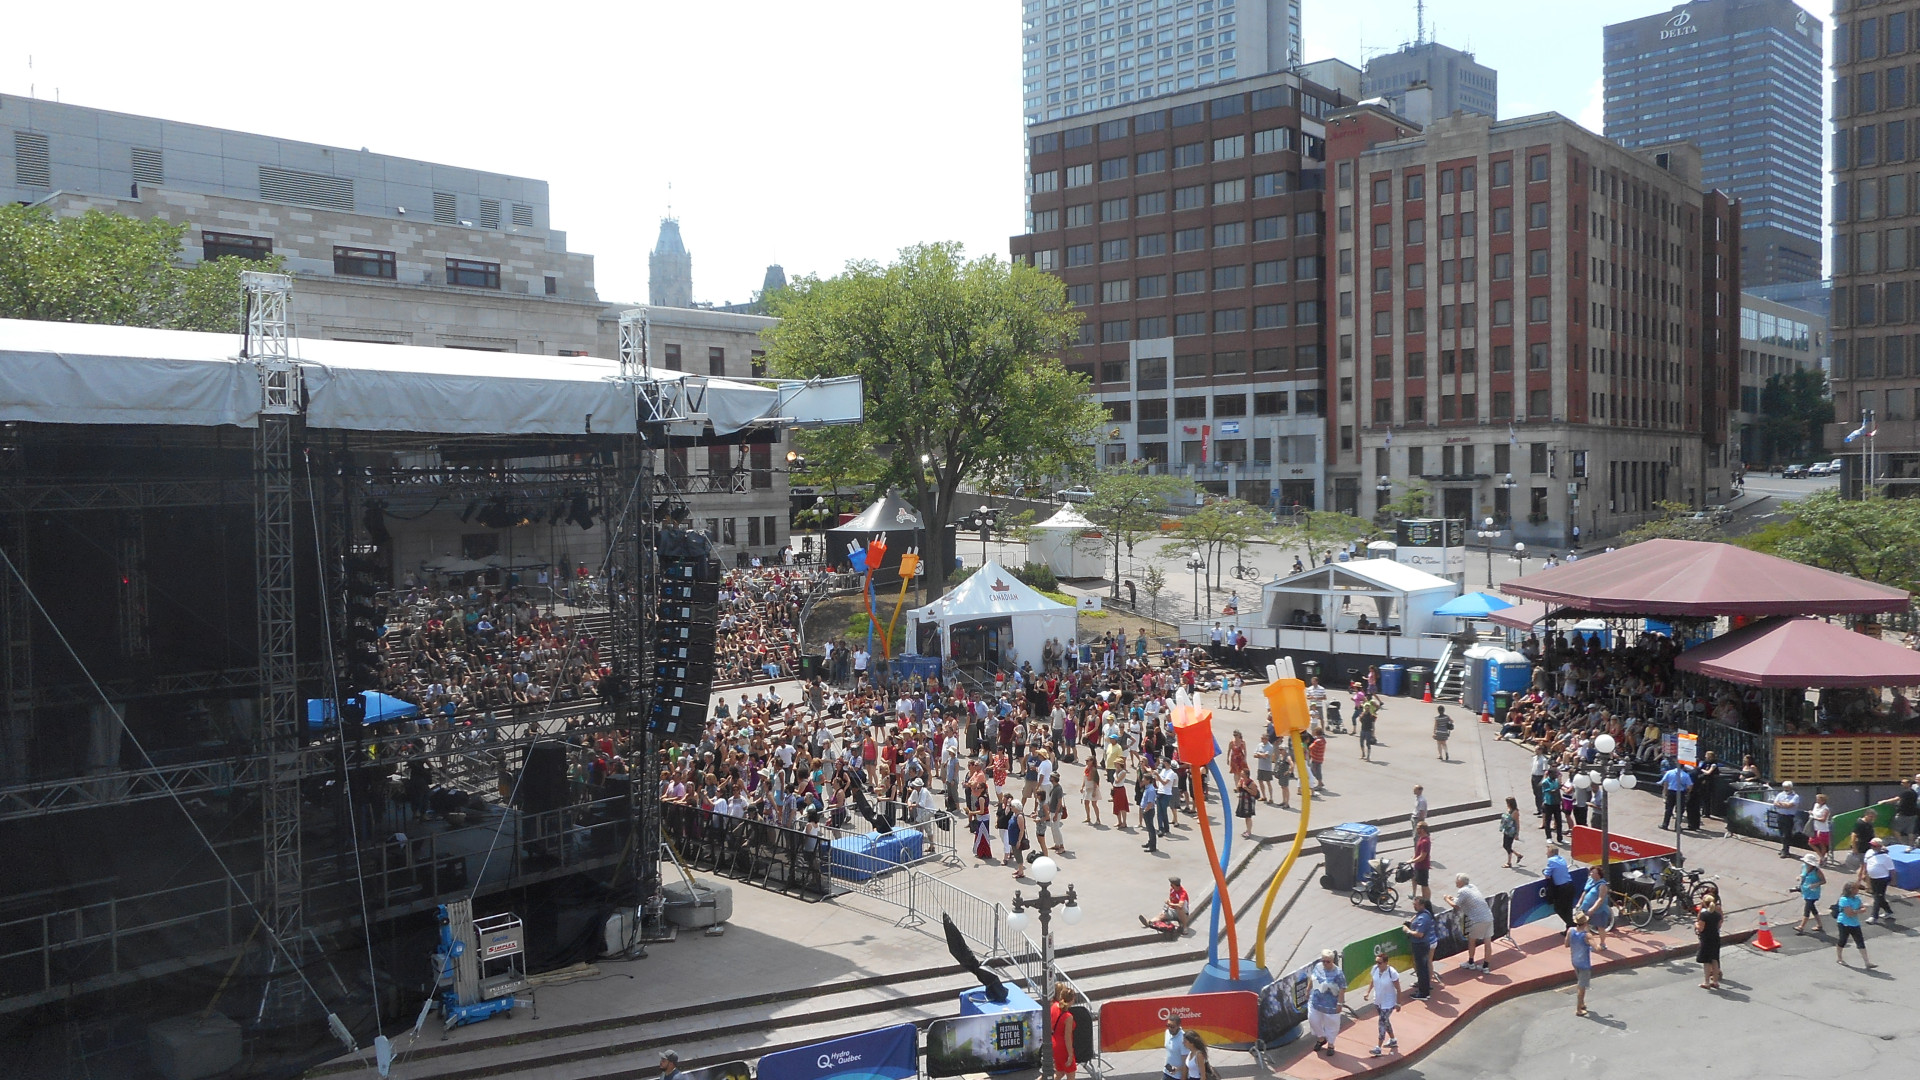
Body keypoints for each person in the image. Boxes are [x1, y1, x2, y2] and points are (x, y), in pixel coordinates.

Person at [1447, 873, 1496, 972]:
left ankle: (1471, 963)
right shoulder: (1472, 887)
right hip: (1488, 917)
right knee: (1487, 942)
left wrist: (1447, 899)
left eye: (1456, 880)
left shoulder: (1462, 891)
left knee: (1471, 941)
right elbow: (1465, 900)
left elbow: (1456, 905)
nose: (1455, 882)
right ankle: (1485, 966)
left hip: (1477, 920)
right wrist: (1454, 899)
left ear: (1460, 882)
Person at [1361, 943, 1402, 1057]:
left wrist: (1398, 1003)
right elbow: (1373, 981)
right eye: (1376, 962)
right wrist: (1368, 992)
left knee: (1381, 1022)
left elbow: (1398, 989)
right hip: (1378, 1000)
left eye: (1379, 963)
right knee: (1385, 1021)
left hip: (1388, 1002)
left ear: (1385, 962)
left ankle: (1378, 1047)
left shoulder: (1392, 973)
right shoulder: (1375, 969)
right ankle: (1393, 1040)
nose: (1377, 964)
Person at [1307, 949, 1348, 1057]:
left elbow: (1342, 988)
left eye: (1328, 961)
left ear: (1332, 961)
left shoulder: (1338, 973)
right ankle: (1321, 1038)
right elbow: (1312, 978)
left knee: (1331, 1025)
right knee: (1313, 1020)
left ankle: (1331, 1044)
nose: (1325, 963)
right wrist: (1308, 990)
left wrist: (1340, 1004)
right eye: (1323, 961)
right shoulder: (1318, 967)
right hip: (1316, 1001)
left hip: (1331, 1005)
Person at [1404, 897, 1437, 999]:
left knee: (1422, 968)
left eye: (1416, 905)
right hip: (1423, 945)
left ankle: (1423, 993)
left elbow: (1419, 934)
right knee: (1423, 967)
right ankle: (1424, 988)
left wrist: (1407, 930)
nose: (1414, 906)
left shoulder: (1423, 918)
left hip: (1420, 945)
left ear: (1422, 905)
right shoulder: (1424, 913)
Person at [1835, 881, 1874, 969]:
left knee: (1860, 941)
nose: (1857, 890)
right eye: (1856, 888)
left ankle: (1867, 962)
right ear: (1850, 890)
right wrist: (1858, 911)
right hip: (1844, 923)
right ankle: (1839, 958)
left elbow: (1862, 908)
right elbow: (1849, 913)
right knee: (1842, 940)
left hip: (1855, 923)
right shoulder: (1844, 899)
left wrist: (1856, 911)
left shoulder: (1857, 898)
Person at [1578, 865, 1613, 951]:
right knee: (1583, 925)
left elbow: (1600, 899)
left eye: (1593, 872)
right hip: (1585, 907)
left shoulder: (1602, 885)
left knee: (1600, 927)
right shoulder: (1590, 881)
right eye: (1591, 872)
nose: (1591, 874)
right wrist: (1579, 903)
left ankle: (1602, 943)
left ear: (1598, 874)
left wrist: (1593, 909)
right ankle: (1590, 942)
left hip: (1599, 911)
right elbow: (1585, 892)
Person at [1861, 837, 1896, 924]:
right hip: (1872, 878)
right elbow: (1865, 864)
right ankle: (1888, 911)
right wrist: (1864, 873)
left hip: (1882, 879)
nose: (1873, 847)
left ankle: (1874, 916)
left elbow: (1892, 870)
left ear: (1880, 846)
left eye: (1875, 846)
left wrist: (1893, 880)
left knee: (1877, 897)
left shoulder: (1886, 857)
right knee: (1879, 896)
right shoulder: (1869, 852)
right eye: (1872, 845)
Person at [1567, 911, 1593, 1018]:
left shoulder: (1570, 931)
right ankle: (1578, 1009)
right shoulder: (1586, 935)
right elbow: (1596, 947)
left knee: (1580, 982)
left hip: (1574, 961)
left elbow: (1566, 944)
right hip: (1584, 963)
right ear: (1585, 923)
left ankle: (1582, 1003)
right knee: (1581, 987)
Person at [1792, 854, 1826, 936]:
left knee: (1807, 909)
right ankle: (1819, 925)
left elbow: (1823, 881)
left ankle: (1801, 926)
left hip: (1813, 892)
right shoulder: (1803, 866)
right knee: (1812, 908)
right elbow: (1802, 875)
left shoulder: (1817, 871)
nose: (1806, 864)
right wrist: (1799, 878)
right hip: (1806, 890)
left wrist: (1816, 884)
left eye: (1808, 863)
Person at [1694, 893, 1723, 990]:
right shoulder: (1717, 915)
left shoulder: (1704, 915)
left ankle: (1706, 982)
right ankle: (1715, 981)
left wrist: (1696, 924)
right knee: (1714, 959)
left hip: (1706, 939)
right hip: (1715, 938)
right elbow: (1719, 926)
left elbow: (1701, 928)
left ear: (1705, 903)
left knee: (1706, 961)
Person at [1050, 983, 1078, 1080]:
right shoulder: (1068, 1017)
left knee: (1059, 1073)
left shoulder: (1054, 1006)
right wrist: (1070, 1055)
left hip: (1054, 1043)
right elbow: (1067, 1038)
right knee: (1071, 1075)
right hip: (1063, 1048)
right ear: (1072, 1000)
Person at [1544, 844, 1576, 927]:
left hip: (1562, 888)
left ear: (1551, 852)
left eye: (1547, 852)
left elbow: (1547, 874)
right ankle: (1569, 928)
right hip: (1570, 885)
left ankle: (1571, 925)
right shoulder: (1562, 859)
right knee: (1568, 909)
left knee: (1558, 908)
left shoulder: (1551, 860)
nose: (1546, 854)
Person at [1659, 759, 1694, 831]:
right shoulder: (1685, 775)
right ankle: (1677, 827)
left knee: (1668, 809)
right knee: (1679, 811)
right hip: (1680, 793)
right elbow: (1690, 786)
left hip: (1671, 792)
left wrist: (1665, 792)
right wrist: (1687, 793)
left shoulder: (1669, 772)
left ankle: (1665, 824)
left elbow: (1665, 783)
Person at [1771, 781, 1802, 858]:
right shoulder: (1780, 794)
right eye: (1784, 787)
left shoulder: (1795, 796)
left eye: (1787, 788)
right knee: (1781, 833)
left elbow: (1789, 805)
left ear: (1791, 787)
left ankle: (1786, 851)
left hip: (1788, 817)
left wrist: (1781, 804)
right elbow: (1775, 803)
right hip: (1780, 815)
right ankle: (1783, 848)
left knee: (1786, 834)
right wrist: (1783, 804)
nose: (1786, 789)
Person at [1808, 792, 1834, 866]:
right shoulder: (1815, 805)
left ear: (1823, 801)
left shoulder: (1826, 809)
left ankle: (1821, 860)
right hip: (1815, 828)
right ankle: (1822, 857)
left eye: (1818, 799)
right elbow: (1814, 812)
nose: (1817, 800)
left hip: (1823, 829)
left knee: (1822, 845)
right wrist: (1811, 813)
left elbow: (1823, 819)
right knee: (1810, 843)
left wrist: (1814, 818)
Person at [1160, 1012, 1187, 1080]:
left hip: (1177, 1076)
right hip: (1167, 1072)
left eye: (1172, 1027)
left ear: (1178, 1026)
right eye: (1168, 1025)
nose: (1169, 1028)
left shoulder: (1183, 1039)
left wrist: (1183, 1077)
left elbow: (1186, 1062)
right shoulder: (1167, 1032)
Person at [1411, 822, 1433, 902]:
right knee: (1414, 878)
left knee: (1424, 885)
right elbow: (1418, 852)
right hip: (1418, 865)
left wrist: (1412, 861)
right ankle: (1420, 897)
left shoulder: (1425, 841)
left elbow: (1422, 856)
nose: (1416, 830)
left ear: (1422, 830)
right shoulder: (1421, 838)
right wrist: (1413, 858)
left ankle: (1427, 900)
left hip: (1422, 866)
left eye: (1418, 828)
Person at [1500, 795, 1523, 868]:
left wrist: (1517, 834)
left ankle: (1509, 862)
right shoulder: (1509, 809)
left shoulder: (1515, 812)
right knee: (1505, 845)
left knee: (1508, 846)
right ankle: (1518, 855)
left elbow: (1517, 823)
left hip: (1511, 832)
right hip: (1506, 830)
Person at [1139, 774, 1160, 852]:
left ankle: (1152, 846)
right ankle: (1150, 842)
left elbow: (1150, 803)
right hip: (1147, 810)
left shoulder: (1151, 790)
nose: (1142, 780)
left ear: (1148, 780)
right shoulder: (1147, 788)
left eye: (1144, 779)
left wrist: (1145, 810)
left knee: (1151, 829)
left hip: (1148, 811)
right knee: (1149, 828)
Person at [1235, 773, 1259, 839]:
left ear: (1246, 775)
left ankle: (1249, 831)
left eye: (1242, 774)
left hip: (1249, 802)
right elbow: (1238, 790)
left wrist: (1246, 788)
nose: (1241, 775)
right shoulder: (1242, 781)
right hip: (1243, 801)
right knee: (1246, 817)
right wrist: (1239, 786)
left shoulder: (1252, 783)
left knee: (1248, 817)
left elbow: (1255, 793)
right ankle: (1247, 830)